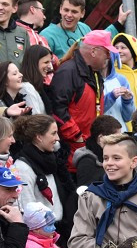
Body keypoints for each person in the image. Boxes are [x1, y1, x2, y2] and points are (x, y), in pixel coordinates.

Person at [50, 30, 116, 160]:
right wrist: (77, 137)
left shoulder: (94, 73)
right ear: (93, 52)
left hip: (89, 148)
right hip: (73, 151)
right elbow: (58, 109)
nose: (109, 57)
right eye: (107, 52)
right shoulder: (68, 72)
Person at [11, 115, 68, 227]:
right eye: (53, 133)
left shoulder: (50, 160)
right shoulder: (23, 167)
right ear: (39, 137)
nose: (58, 138)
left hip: (58, 227)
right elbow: (28, 208)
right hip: (42, 231)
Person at [39, 0, 126, 59]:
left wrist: (119, 23)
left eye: (74, 12)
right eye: (66, 10)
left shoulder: (84, 28)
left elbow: (101, 40)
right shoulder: (46, 36)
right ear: (60, 9)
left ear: (82, 13)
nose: (69, 15)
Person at [20, 45, 55, 115]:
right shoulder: (27, 87)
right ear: (34, 63)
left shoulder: (39, 86)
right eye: (46, 62)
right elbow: (36, 118)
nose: (50, 66)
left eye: (50, 62)